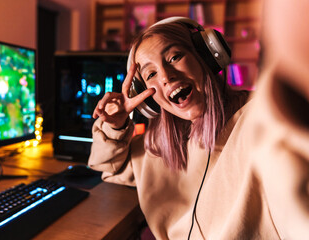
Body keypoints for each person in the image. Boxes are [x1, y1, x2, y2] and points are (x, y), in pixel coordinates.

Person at [88, 14, 309, 239]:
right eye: (151, 74)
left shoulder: (262, 119)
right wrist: (116, 126)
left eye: (174, 57)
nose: (165, 76)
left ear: (208, 56)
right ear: (146, 98)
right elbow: (109, 168)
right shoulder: (158, 147)